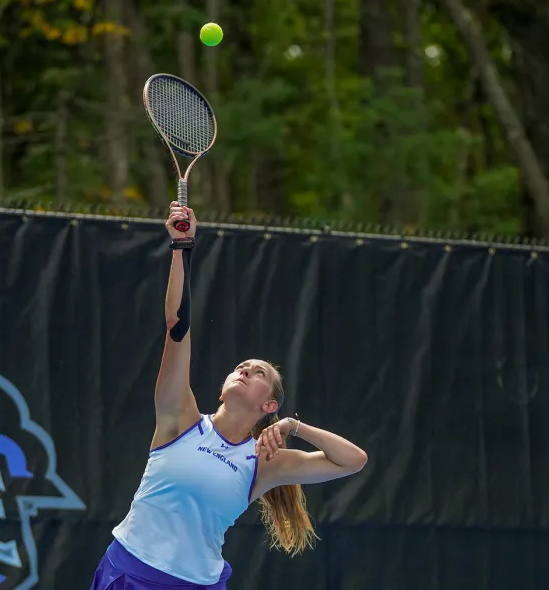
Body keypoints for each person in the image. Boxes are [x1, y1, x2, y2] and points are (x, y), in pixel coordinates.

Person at [90, 202, 370, 589]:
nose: (245, 371)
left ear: (268, 405)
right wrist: (181, 247)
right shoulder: (180, 419)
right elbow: (177, 324)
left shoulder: (264, 462)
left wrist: (294, 425)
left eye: (259, 374)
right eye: (241, 367)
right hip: (130, 571)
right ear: (222, 386)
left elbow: (353, 461)